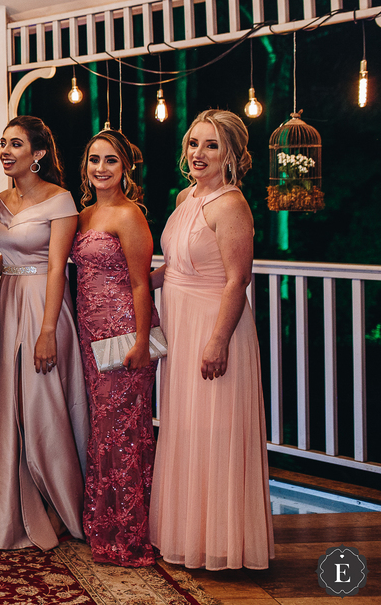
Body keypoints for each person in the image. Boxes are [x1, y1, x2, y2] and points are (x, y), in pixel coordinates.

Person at [149, 109, 274, 570]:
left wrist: (218, 341)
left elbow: (237, 279)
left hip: (213, 324)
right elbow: (176, 266)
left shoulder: (230, 205)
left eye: (211, 146)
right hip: (178, 324)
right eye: (194, 144)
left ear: (232, 155)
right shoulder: (187, 195)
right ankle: (185, 533)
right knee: (184, 426)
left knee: (215, 427)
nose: (198, 154)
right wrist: (135, 283)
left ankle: (221, 542)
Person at [0, 114, 87, 551]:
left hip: (44, 306)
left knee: (42, 404)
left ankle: (62, 505)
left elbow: (57, 269)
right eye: (3, 143)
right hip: (6, 302)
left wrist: (48, 331)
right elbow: (2, 259)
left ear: (38, 154)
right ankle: (10, 505)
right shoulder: (3, 199)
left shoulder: (60, 200)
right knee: (8, 403)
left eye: (16, 145)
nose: (5, 151)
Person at [70, 129, 159, 566]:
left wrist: (142, 343)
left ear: (125, 168)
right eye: (93, 160)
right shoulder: (83, 214)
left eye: (110, 161)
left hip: (125, 334)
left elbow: (142, 284)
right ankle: (103, 526)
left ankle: (130, 534)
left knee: (124, 433)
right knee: (103, 430)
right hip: (90, 335)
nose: (100, 168)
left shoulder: (129, 215)